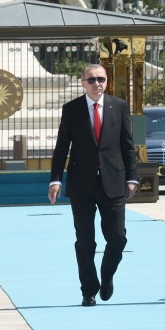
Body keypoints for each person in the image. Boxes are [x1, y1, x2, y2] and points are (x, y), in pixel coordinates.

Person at [49, 64, 138, 307]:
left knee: (118, 238)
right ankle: (88, 290)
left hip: (113, 182)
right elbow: (61, 147)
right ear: (83, 83)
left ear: (106, 81)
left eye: (101, 79)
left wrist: (132, 177)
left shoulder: (119, 106)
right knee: (85, 241)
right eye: (92, 80)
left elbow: (127, 145)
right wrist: (55, 179)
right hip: (82, 184)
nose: (97, 83)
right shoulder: (72, 109)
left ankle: (107, 275)